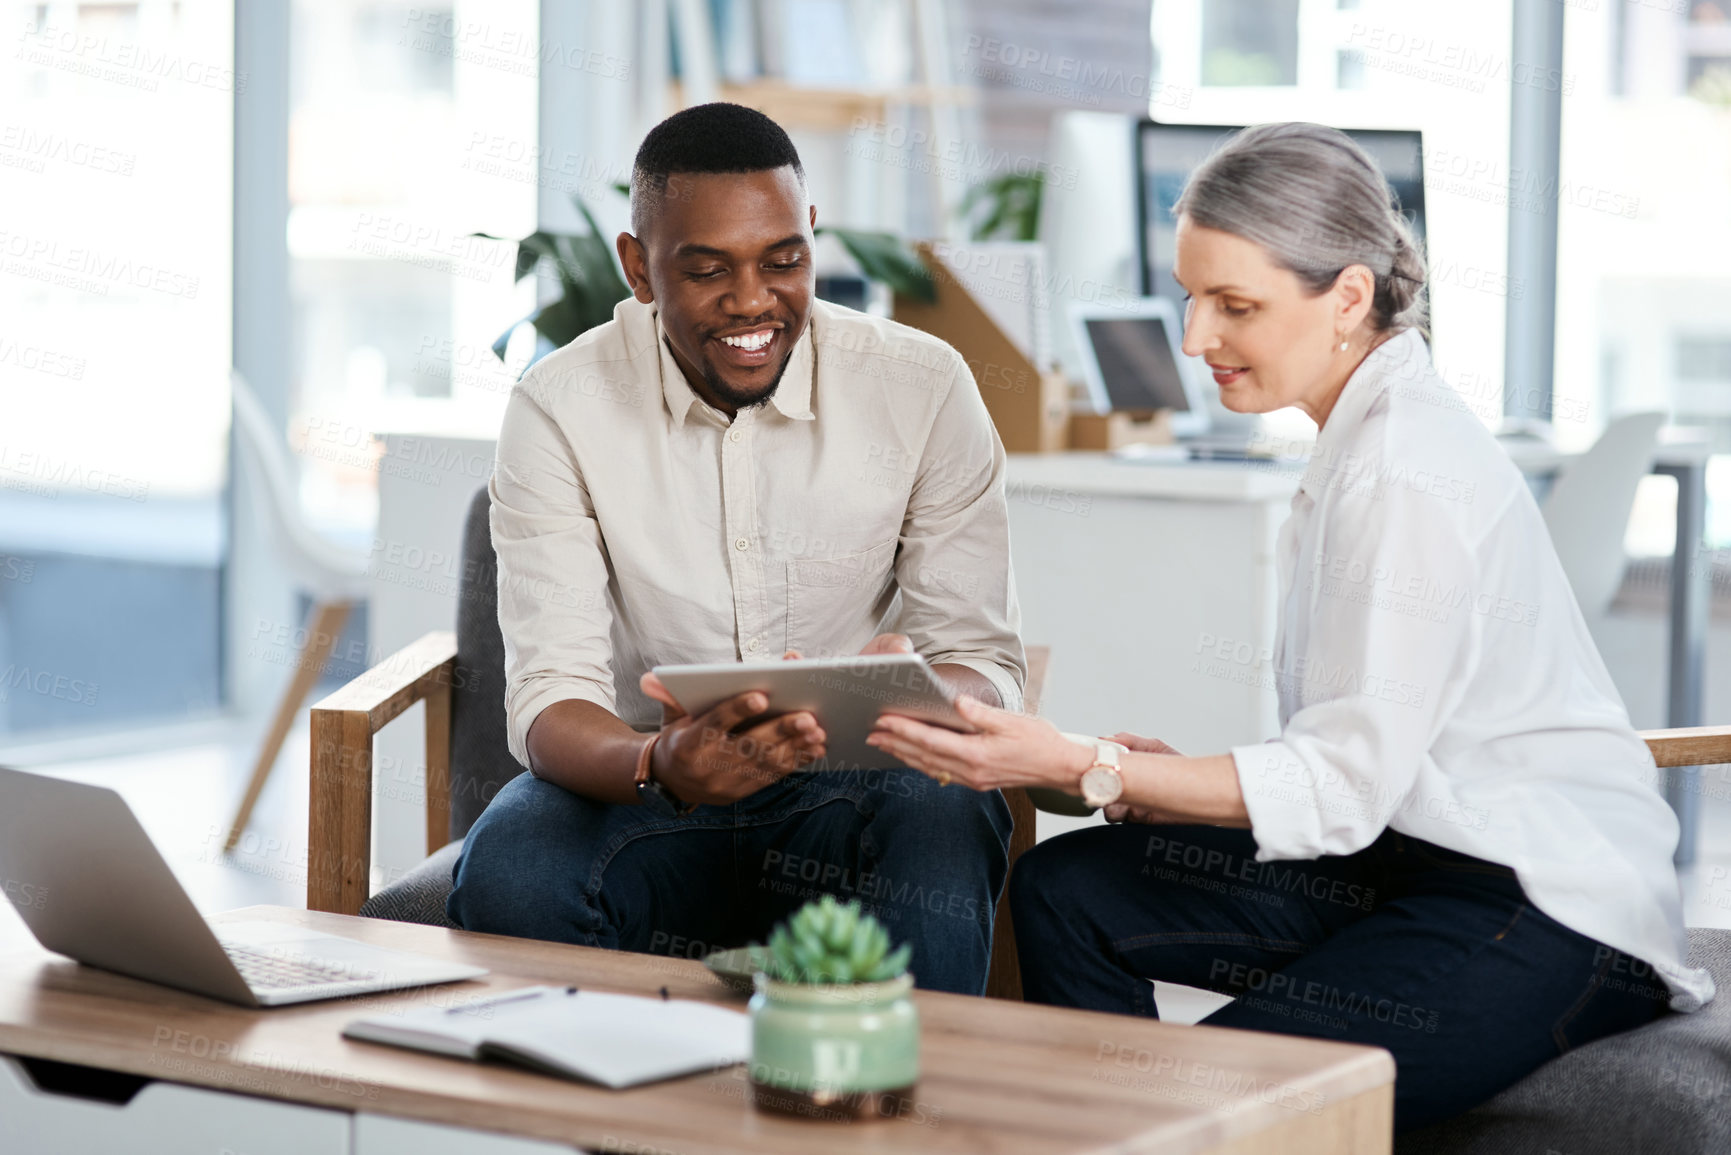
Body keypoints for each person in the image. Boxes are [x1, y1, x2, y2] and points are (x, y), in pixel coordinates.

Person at [866, 121, 1714, 1127]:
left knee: (1205, 1100)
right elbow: (1358, 756)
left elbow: (1343, 784)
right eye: (1191, 296)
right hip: (1405, 853)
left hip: (1536, 905)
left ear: (1349, 297)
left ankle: (1143, 1133)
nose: (1194, 340)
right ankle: (1097, 1130)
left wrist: (1095, 765)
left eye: (1235, 305)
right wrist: (1155, 780)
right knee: (1066, 889)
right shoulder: (1356, 439)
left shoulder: (1405, 471)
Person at [445, 102, 1026, 996]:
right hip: (648, 792)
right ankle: (631, 1116)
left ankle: (899, 1113)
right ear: (638, 268)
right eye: (708, 269)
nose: (753, 301)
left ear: (811, 240)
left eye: (783, 261)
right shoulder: (559, 405)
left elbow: (982, 659)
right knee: (515, 866)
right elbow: (551, 697)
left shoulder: (923, 386)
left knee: (944, 807)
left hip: (849, 785)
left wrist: (926, 692)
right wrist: (657, 766)